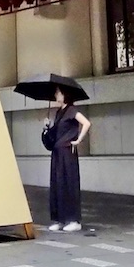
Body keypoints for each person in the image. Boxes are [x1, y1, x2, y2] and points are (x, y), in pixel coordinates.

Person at [42, 86, 91, 233]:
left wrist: (78, 140)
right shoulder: (59, 113)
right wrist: (47, 127)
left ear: (65, 95)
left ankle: (74, 220)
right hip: (58, 152)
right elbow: (55, 133)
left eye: (59, 92)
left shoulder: (71, 110)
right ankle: (60, 219)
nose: (56, 95)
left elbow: (87, 123)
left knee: (69, 183)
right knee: (58, 184)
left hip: (67, 151)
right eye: (56, 92)